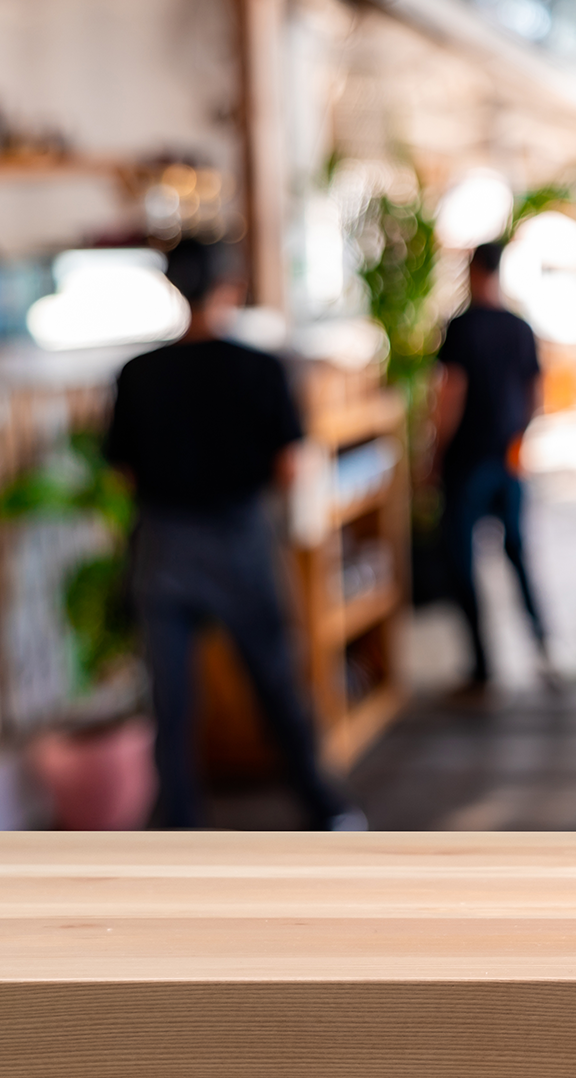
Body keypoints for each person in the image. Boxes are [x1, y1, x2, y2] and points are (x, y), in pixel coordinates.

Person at [104, 238, 361, 831]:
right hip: (240, 540)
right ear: (231, 288)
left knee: (172, 704)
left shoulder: (136, 375)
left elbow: (124, 472)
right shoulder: (261, 368)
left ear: (173, 288)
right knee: (276, 683)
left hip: (163, 547)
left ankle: (179, 828)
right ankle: (326, 812)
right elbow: (291, 465)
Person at [430, 240, 554, 693]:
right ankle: (544, 650)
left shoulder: (461, 327)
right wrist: (521, 440)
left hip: (467, 460)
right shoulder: (520, 327)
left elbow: (451, 395)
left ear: (473, 270)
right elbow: (536, 393)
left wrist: (435, 453)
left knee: (463, 561)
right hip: (508, 458)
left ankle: (483, 668)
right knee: (518, 554)